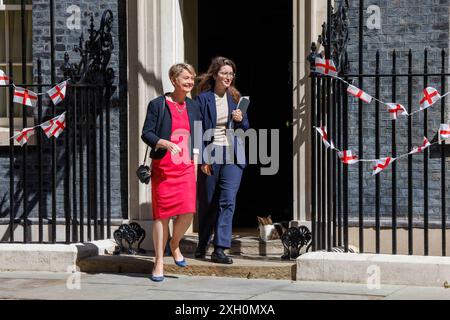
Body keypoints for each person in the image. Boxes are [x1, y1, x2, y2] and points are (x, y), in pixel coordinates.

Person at [141, 63, 202, 282]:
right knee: (161, 216)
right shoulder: (157, 105)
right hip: (164, 168)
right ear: (174, 80)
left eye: (192, 78)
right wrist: (164, 143)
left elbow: (197, 134)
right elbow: (146, 133)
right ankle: (158, 261)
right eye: (186, 78)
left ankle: (174, 244)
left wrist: (196, 161)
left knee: (187, 211)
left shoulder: (194, 106)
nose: (190, 82)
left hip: (185, 167)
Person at [194, 57, 250, 264]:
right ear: (215, 74)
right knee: (208, 202)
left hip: (233, 155)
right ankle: (202, 243)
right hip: (211, 153)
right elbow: (197, 129)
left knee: (227, 202)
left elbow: (246, 128)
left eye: (231, 74)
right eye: (224, 73)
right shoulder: (203, 99)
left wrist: (240, 119)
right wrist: (202, 158)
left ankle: (220, 248)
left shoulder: (236, 98)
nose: (228, 77)